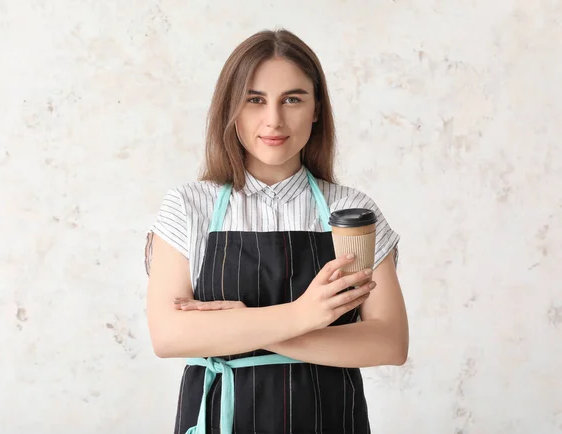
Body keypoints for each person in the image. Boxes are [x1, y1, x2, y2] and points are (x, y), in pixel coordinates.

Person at [145, 28, 408, 434]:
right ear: (230, 108)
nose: (274, 120)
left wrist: (243, 328)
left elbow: (388, 342)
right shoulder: (188, 207)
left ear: (317, 108)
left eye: (293, 99)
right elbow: (168, 336)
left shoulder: (351, 211)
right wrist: (302, 315)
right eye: (255, 100)